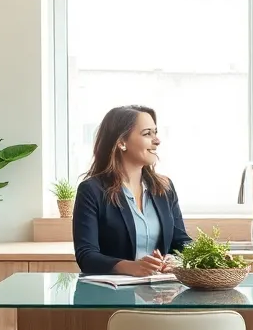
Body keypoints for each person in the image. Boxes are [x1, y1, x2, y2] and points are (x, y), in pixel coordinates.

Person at [72, 105, 191, 276]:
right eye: (147, 133)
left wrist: (178, 259)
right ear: (121, 142)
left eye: (155, 133)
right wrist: (132, 267)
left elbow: (181, 242)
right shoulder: (92, 190)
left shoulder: (164, 188)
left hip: (161, 294)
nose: (157, 140)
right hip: (112, 296)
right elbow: (87, 256)